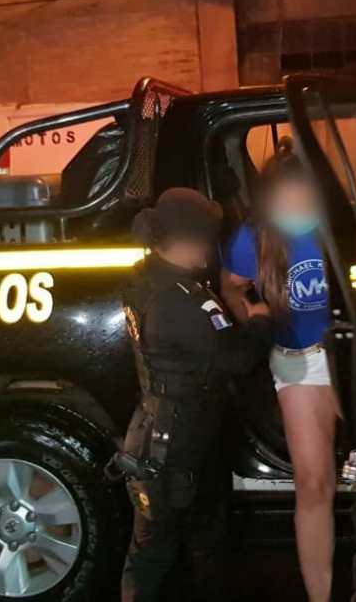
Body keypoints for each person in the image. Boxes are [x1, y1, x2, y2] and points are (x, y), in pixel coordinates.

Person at [115, 187, 273, 602]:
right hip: (184, 441)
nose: (209, 249)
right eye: (206, 239)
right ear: (189, 241)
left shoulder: (143, 280)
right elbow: (238, 357)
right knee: (182, 547)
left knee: (156, 546)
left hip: (157, 429)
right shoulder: (184, 300)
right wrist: (260, 320)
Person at [222, 144, 338, 602]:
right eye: (288, 195)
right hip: (297, 359)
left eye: (304, 193)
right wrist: (255, 323)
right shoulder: (254, 237)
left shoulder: (337, 224)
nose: (297, 204)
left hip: (352, 353)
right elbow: (232, 284)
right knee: (313, 484)